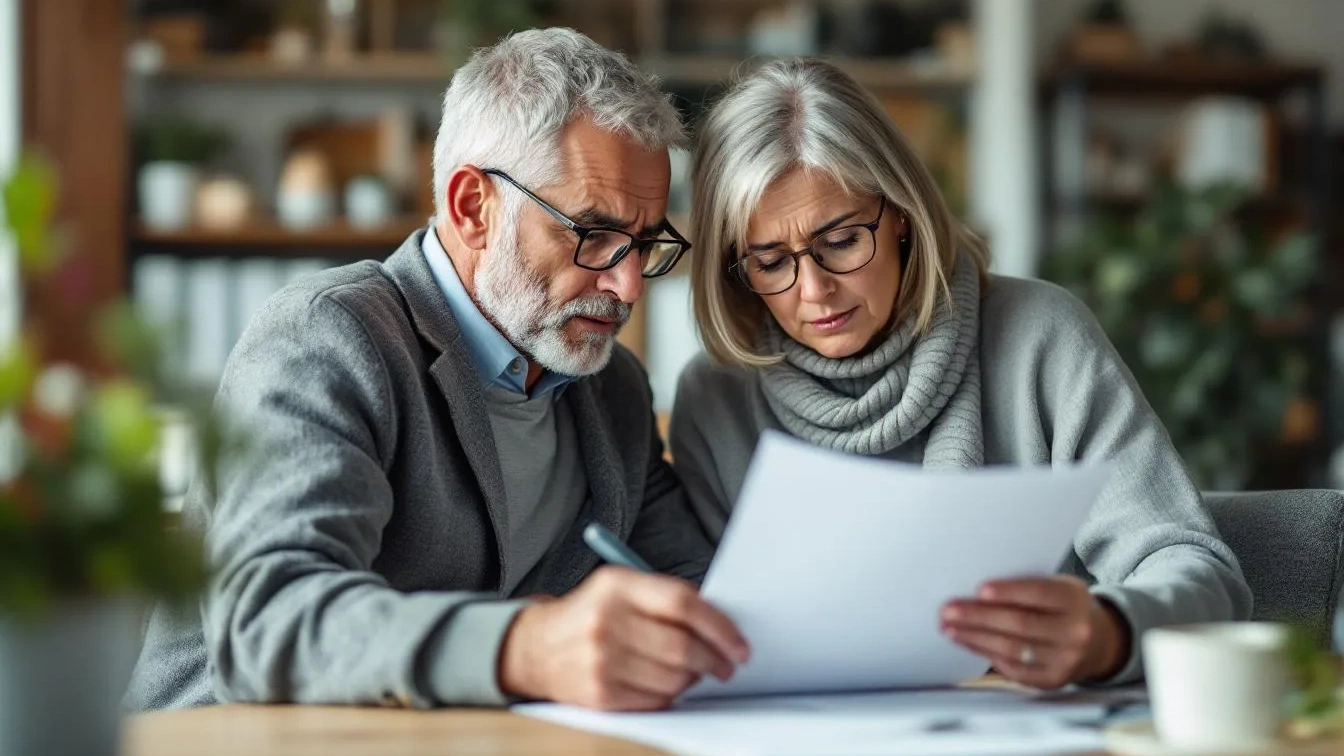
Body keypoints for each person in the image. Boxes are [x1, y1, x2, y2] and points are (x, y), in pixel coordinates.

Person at [125, 28, 749, 713]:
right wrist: (525, 648)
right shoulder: (326, 337)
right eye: (594, 235)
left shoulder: (611, 388)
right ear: (472, 208)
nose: (628, 286)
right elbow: (268, 624)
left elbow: (690, 582)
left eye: (645, 243)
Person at [670, 58, 1252, 690]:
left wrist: (1109, 632)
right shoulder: (717, 395)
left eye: (840, 242)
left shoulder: (1039, 336)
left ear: (900, 213)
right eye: (770, 262)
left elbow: (1200, 572)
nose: (813, 290)